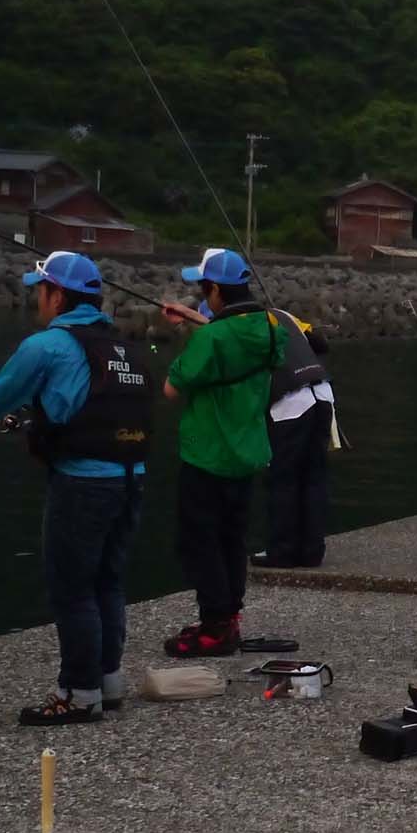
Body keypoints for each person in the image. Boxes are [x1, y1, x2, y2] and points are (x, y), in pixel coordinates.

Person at [0, 251, 155, 725]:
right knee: (108, 581)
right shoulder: (122, 346)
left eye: (41, 290)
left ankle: (79, 693)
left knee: (72, 588)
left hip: (82, 485)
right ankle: (108, 681)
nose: (37, 299)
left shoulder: (47, 346)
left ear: (57, 295)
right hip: (131, 477)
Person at [157, 248, 286, 657]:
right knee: (232, 538)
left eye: (203, 288)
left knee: (199, 541)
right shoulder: (271, 327)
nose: (202, 295)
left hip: (208, 454)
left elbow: (171, 389)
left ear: (214, 289)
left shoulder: (210, 338)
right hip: (247, 453)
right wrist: (194, 318)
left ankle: (213, 626)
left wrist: (192, 333)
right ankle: (229, 618)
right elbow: (237, 338)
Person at [252, 306, 334, 570]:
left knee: (282, 478)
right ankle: (312, 551)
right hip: (323, 394)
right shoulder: (281, 315)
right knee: (314, 477)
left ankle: (281, 551)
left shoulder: (237, 323)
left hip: (291, 401)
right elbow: (320, 344)